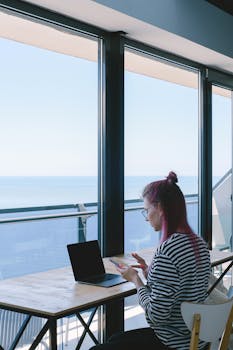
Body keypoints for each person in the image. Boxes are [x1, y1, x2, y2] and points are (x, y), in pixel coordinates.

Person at [89, 171, 210, 350]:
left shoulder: (167, 251)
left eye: (146, 210)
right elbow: (184, 286)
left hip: (172, 342)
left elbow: (156, 315)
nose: (146, 218)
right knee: (115, 338)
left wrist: (136, 280)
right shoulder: (198, 243)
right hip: (196, 337)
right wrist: (150, 273)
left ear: (160, 208)